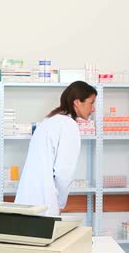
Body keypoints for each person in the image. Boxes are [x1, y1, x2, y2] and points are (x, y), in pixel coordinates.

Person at [14, 81, 97, 216]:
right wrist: (60, 202)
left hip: (26, 197)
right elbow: (63, 172)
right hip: (45, 201)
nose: (93, 109)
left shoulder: (49, 121)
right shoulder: (68, 125)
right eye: (91, 103)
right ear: (77, 102)